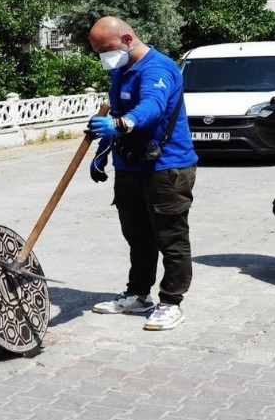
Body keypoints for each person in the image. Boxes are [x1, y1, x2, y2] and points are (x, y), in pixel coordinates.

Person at [85, 16, 198, 331]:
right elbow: (115, 114)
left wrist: (119, 125)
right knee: (138, 236)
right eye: (98, 52)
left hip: (167, 168)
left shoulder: (157, 68)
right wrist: (102, 151)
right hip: (130, 167)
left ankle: (171, 302)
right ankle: (138, 296)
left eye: (106, 49)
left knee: (171, 238)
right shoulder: (121, 71)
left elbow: (152, 107)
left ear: (128, 39)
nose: (103, 58)